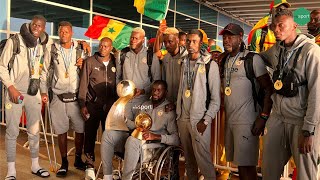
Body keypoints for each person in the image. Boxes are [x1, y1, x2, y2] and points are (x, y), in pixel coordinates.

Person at [260, 9, 320, 180]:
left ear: (294, 26)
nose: (277, 30)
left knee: (305, 175)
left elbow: (317, 92)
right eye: (274, 26)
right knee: (268, 170)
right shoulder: (276, 50)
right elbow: (259, 58)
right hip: (278, 118)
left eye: (281, 25)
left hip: (301, 122)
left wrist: (309, 131)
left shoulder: (311, 51)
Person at [219, 23, 273, 180]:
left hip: (248, 122)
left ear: (240, 37)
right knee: (240, 166)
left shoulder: (252, 59)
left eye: (230, 37)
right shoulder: (225, 60)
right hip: (230, 121)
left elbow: (269, 89)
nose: (226, 40)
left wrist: (263, 117)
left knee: (246, 167)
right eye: (224, 37)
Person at [0, 15, 50, 179]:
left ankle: (35, 166)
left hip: (32, 94)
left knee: (34, 132)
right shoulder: (14, 41)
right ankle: (11, 171)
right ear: (30, 25)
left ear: (43, 28)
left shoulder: (42, 46)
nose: (37, 27)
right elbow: (1, 66)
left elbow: (42, 71)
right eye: (34, 24)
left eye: (40, 26)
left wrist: (43, 91)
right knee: (12, 131)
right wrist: (11, 87)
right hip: (15, 94)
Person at [40, 21, 87, 177]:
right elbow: (45, 71)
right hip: (58, 97)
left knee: (80, 131)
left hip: (76, 99)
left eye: (66, 32)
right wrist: (43, 91)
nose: (63, 34)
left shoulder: (81, 49)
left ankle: (78, 159)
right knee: (61, 132)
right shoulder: (52, 50)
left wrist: (83, 64)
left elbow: (87, 70)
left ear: (72, 33)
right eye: (61, 32)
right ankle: (64, 162)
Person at [176, 29, 220, 180]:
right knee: (189, 160)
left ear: (201, 43)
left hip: (199, 119)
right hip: (183, 118)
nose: (190, 44)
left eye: (194, 41)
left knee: (203, 160)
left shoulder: (210, 65)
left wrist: (206, 119)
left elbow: (216, 99)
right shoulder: (183, 62)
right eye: (188, 41)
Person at [122, 80, 180, 180]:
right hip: (142, 140)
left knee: (131, 141)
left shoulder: (169, 111)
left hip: (157, 145)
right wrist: (124, 119)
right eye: (153, 90)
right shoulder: (145, 105)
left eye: (159, 90)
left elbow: (176, 139)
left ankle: (126, 178)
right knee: (123, 137)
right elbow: (136, 126)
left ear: (165, 92)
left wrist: (155, 137)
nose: (155, 93)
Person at [78, 37, 118, 174]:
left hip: (110, 108)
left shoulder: (116, 62)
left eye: (106, 46)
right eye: (101, 45)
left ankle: (108, 166)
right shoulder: (90, 61)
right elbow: (83, 83)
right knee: (90, 136)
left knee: (109, 138)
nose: (102, 48)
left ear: (111, 48)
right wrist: (82, 103)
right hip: (93, 106)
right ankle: (89, 165)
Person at [116, 27, 161, 126]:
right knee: (124, 129)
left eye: (136, 38)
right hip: (125, 101)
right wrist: (120, 94)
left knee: (139, 128)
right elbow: (118, 78)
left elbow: (156, 80)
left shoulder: (151, 56)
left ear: (143, 40)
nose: (133, 40)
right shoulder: (122, 54)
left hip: (143, 101)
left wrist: (144, 91)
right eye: (132, 38)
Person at [161, 27, 188, 104]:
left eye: (170, 41)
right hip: (168, 102)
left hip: (183, 103)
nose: (167, 45)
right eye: (165, 42)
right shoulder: (165, 58)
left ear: (177, 40)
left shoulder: (186, 58)